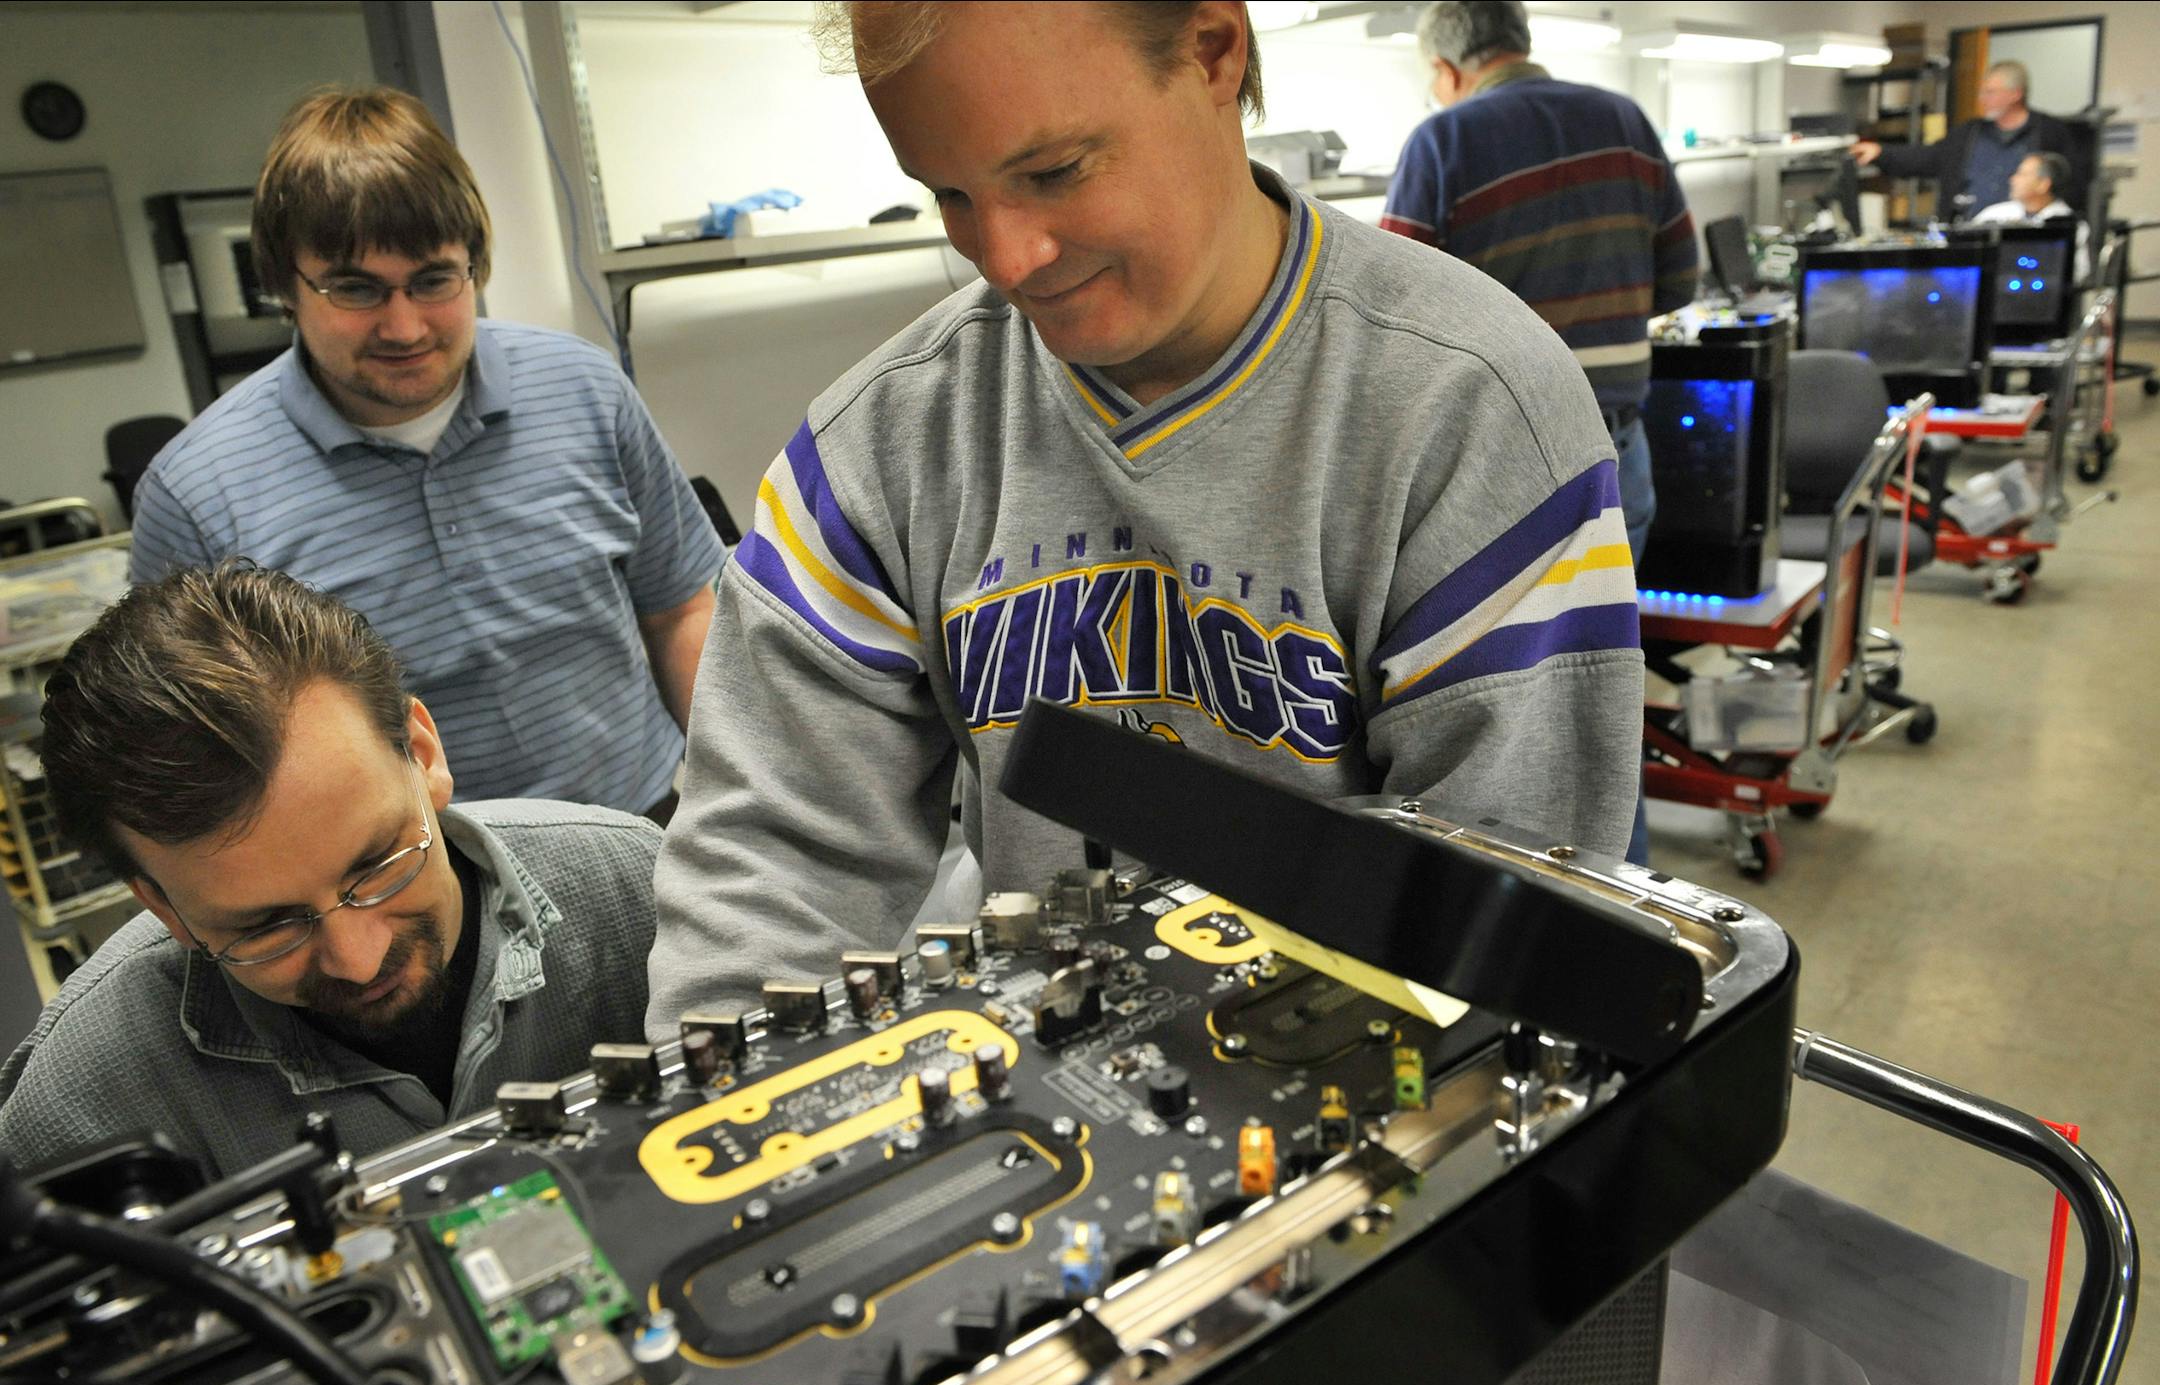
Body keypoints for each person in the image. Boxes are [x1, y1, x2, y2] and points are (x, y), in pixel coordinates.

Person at [644, 0, 1644, 1036]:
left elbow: (1496, 926)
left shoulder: (1473, 412)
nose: (1006, 255)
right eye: (949, 194)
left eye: (1054, 171)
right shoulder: (876, 450)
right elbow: (774, 862)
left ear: (1213, 52)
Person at [128, 87, 724, 824]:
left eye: (435, 279)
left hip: (647, 825)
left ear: (476, 265)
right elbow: (199, 755)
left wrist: (737, 801)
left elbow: (679, 609)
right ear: (285, 284)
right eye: (356, 288)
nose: (404, 326)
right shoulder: (196, 494)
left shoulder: (586, 389)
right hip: (408, 886)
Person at [0, 564, 662, 1181]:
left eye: (376, 865)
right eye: (266, 926)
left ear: (424, 754)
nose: (358, 959)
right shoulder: (80, 1092)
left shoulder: (641, 890)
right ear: (162, 906)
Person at [1379, 0, 1689, 864]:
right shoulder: (1624, 121)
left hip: (1495, 485)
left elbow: (1386, 327)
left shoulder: (1441, 144)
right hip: (1617, 457)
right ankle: (1627, 899)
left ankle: (1568, 927)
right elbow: (1679, 277)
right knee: (1601, 693)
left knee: (1512, 736)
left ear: (1446, 70)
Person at [1853, 61, 2086, 219]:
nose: (1982, 99)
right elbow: (1928, 158)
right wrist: (1882, 153)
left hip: (2023, 238)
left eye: (1991, 92)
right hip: (1969, 233)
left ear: (2016, 94)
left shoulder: (2051, 133)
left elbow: (2071, 184)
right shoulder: (1968, 134)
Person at [1971, 151, 2089, 281]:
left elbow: (2078, 273)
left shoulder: (2069, 224)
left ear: (2043, 184)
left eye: (2022, 174)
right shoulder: (1994, 214)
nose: (2013, 179)